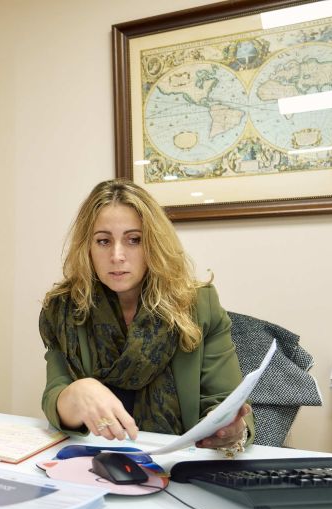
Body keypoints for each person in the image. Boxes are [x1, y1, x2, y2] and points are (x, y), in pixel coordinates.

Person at [40, 180, 254, 454]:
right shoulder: (63, 309)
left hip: (179, 463)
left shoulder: (199, 304)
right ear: (87, 247)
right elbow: (55, 398)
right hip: (94, 461)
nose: (117, 256)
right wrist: (75, 393)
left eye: (134, 240)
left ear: (154, 243)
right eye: (103, 241)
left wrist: (231, 428)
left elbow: (226, 401)